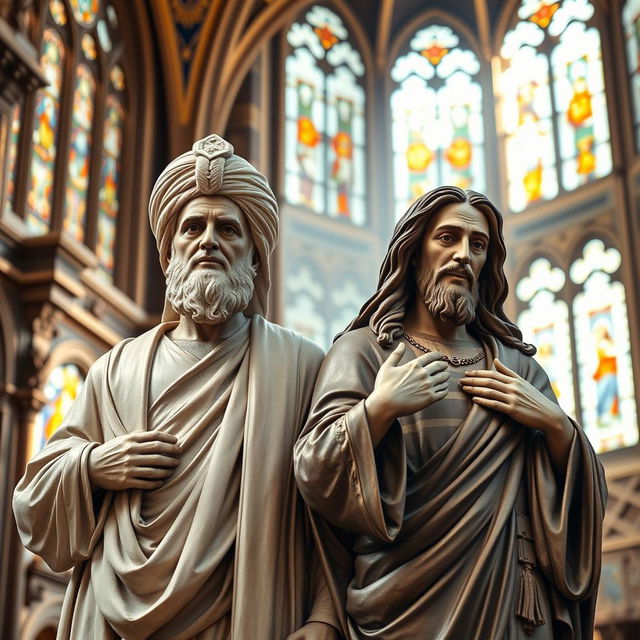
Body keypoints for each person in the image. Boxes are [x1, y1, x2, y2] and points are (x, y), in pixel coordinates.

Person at [13, 135, 339, 640]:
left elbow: (331, 514)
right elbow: (31, 502)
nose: (208, 239)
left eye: (228, 228)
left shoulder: (300, 366)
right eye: (193, 227)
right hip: (110, 616)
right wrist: (94, 466)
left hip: (241, 615)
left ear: (254, 259)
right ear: (169, 257)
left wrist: (323, 617)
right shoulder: (115, 369)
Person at [294, 186, 607, 639]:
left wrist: (557, 427)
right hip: (398, 601)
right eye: (447, 238)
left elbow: (585, 497)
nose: (462, 254)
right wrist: (379, 409)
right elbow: (313, 471)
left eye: (476, 245)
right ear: (414, 249)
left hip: (508, 603)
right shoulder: (363, 354)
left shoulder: (517, 368)